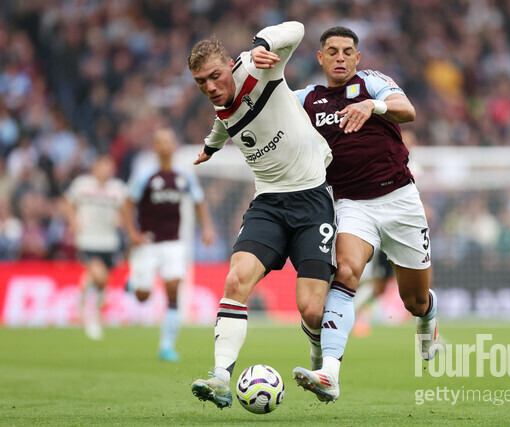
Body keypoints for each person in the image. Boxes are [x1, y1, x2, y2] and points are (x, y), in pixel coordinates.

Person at [254, 26, 439, 402]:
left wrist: (374, 105)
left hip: (401, 200)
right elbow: (266, 103)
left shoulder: (372, 82)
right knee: (347, 271)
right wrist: (257, 67)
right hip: (351, 204)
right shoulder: (307, 98)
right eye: (333, 51)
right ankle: (330, 373)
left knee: (414, 301)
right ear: (320, 58)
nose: (340, 58)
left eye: (348, 52)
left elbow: (409, 111)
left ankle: (427, 321)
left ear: (357, 58)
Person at [187, 21, 336, 409]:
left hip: (312, 199)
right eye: (201, 82)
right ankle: (220, 377)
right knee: (235, 280)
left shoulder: (259, 67)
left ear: (230, 65)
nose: (211, 87)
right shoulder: (221, 105)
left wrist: (260, 45)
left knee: (312, 310)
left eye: (215, 76)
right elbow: (225, 122)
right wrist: (210, 148)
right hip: (269, 204)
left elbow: (297, 29)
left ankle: (320, 364)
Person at [122, 128, 215, 361]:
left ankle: (166, 346)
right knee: (143, 295)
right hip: (148, 243)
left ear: (174, 146)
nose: (164, 146)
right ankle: (134, 285)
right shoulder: (145, 175)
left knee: (173, 288)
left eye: (168, 142)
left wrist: (207, 228)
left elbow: (200, 201)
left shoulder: (185, 176)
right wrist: (132, 232)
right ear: (155, 147)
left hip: (174, 243)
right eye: (160, 142)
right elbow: (127, 204)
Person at [62, 155, 127, 340]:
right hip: (88, 239)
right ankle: (91, 319)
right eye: (104, 166)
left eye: (110, 167)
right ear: (96, 167)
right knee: (99, 277)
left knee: (101, 281)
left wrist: (122, 220)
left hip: (110, 241)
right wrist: (73, 220)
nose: (107, 170)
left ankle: (88, 305)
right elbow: (66, 203)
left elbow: (127, 210)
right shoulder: (82, 185)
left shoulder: (117, 188)